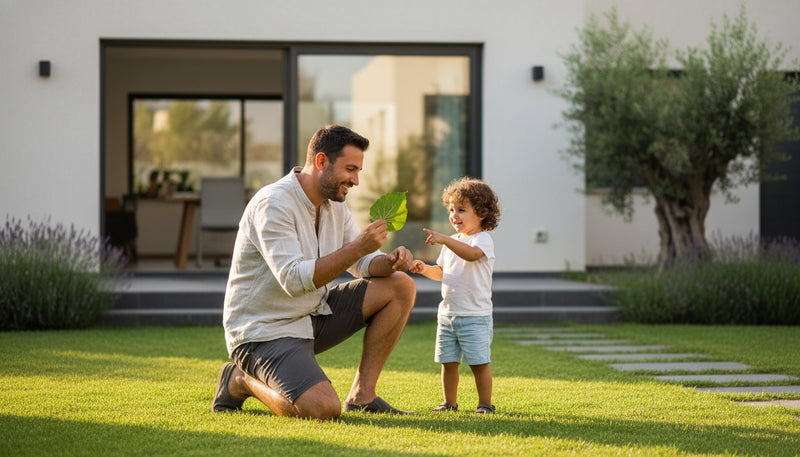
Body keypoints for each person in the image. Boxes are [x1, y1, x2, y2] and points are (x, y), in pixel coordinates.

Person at [212, 124, 417, 419]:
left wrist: (390, 261)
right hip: (264, 331)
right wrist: (359, 247)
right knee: (322, 409)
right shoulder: (273, 204)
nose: (356, 180)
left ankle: (362, 396)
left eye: (358, 171)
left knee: (399, 285)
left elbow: (362, 262)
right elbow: (293, 280)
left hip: (312, 315)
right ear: (321, 162)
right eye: (350, 169)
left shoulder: (334, 206)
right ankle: (240, 380)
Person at [409, 177, 500, 414]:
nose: (454, 215)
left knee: (479, 363)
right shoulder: (452, 243)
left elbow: (471, 255)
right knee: (448, 363)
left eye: (461, 210)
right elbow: (441, 273)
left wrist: (445, 240)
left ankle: (485, 404)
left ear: (481, 213)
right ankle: (449, 403)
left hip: (474, 315)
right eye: (451, 210)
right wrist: (423, 269)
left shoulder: (482, 240)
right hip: (448, 315)